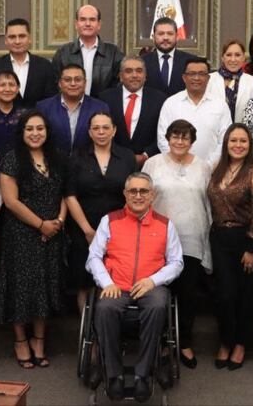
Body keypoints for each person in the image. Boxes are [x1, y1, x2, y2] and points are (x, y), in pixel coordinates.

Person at [86, 172, 184, 403]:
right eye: (133, 191)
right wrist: (106, 283)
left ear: (152, 195)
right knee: (105, 308)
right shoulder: (109, 220)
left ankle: (143, 374)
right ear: (125, 194)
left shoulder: (165, 224)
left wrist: (153, 280)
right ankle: (113, 376)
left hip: (151, 286)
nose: (138, 196)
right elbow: (93, 257)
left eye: (143, 191)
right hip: (116, 285)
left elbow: (177, 262)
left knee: (159, 306)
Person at [0, 110, 68, 369]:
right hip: (21, 232)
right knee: (21, 287)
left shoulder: (57, 158)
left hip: (52, 232)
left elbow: (66, 193)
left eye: (40, 128)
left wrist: (58, 223)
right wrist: (41, 225)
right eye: (29, 129)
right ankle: (21, 340)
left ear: (47, 131)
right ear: (22, 133)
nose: (35, 133)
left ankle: (39, 340)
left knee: (43, 286)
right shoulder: (11, 159)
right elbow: (10, 201)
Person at [143, 119, 213, 369]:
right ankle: (161, 343)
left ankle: (184, 343)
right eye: (175, 136)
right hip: (158, 240)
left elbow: (208, 204)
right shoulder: (153, 163)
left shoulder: (204, 167)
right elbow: (142, 198)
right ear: (168, 138)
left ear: (192, 141)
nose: (179, 141)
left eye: (185, 137)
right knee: (160, 294)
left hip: (192, 238)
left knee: (187, 295)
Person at [206, 124, 253, 371]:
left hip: (245, 240)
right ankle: (225, 341)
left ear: (249, 145)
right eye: (233, 140)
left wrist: (252, 247)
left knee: (245, 295)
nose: (238, 145)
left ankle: (241, 343)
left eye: (243, 141)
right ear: (226, 143)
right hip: (219, 238)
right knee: (224, 294)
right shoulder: (216, 170)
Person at [65, 111, 134, 310]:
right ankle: (88, 336)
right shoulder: (77, 156)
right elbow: (70, 195)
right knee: (84, 283)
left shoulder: (127, 157)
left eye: (105, 127)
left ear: (114, 131)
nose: (101, 132)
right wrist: (87, 230)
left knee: (114, 279)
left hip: (118, 229)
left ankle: (108, 330)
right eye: (96, 128)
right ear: (89, 132)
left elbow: (132, 194)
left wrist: (115, 229)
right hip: (83, 229)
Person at [156, 58, 232, 162]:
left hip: (212, 170)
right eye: (192, 73)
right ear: (184, 77)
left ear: (208, 78)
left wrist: (208, 166)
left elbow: (225, 139)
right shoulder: (171, 103)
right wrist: (177, 162)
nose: (196, 78)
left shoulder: (220, 105)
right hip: (175, 169)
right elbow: (163, 139)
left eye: (201, 74)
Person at [99, 56, 167, 168]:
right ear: (121, 76)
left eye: (139, 71)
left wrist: (146, 155)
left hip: (150, 163)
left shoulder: (160, 99)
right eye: (128, 71)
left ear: (145, 76)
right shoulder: (105, 98)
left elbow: (164, 132)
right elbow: (102, 130)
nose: (134, 75)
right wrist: (118, 155)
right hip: (112, 162)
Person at [51, 4, 125, 96]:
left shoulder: (114, 52)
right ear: (76, 24)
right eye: (83, 19)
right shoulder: (63, 52)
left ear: (99, 24)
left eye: (92, 20)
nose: (87, 24)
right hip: (69, 107)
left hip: (103, 107)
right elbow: (54, 84)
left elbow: (120, 85)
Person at [36, 63, 111, 153]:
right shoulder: (43, 107)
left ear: (85, 83)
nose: (73, 83)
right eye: (67, 80)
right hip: (53, 163)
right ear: (60, 83)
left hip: (89, 163)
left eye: (78, 79)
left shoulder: (100, 107)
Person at [0, 18, 57, 106]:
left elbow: (51, 100)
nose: (17, 41)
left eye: (22, 36)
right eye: (12, 37)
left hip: (37, 118)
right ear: (6, 40)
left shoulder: (45, 66)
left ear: (29, 39)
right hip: (3, 119)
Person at [207, 40, 253, 122]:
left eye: (237, 55)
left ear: (243, 58)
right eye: (229, 55)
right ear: (222, 58)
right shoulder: (209, 79)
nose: (233, 59)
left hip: (242, 132)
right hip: (215, 132)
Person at [142, 17, 196, 96]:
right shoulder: (142, 62)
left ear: (177, 37)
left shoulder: (191, 61)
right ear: (153, 37)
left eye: (170, 34)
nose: (165, 38)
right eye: (161, 34)